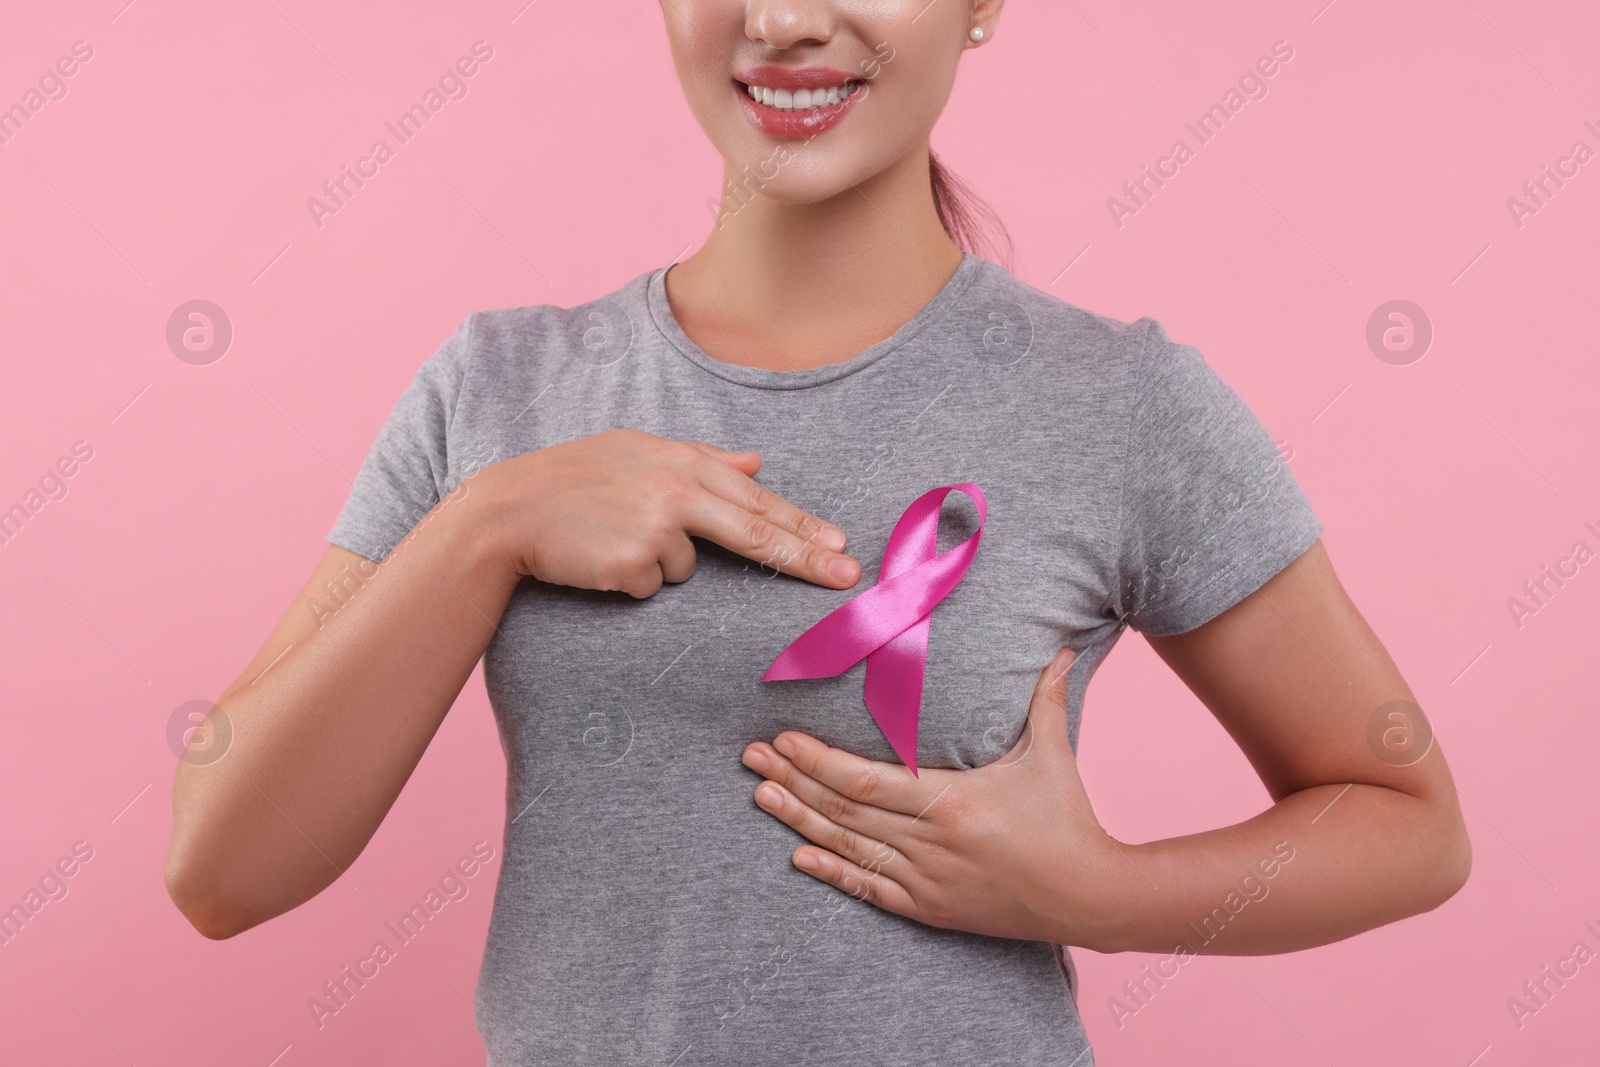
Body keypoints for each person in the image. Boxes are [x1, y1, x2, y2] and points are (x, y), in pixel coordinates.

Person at [164, 2, 1472, 1063]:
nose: (783, 19)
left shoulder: (1120, 405)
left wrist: (1102, 895)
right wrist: (485, 526)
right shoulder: (496, 392)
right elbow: (220, 867)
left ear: (983, 7)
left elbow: (1408, 820)